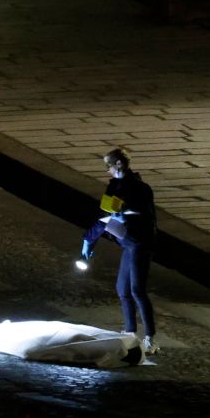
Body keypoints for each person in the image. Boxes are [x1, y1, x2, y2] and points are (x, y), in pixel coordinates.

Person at [80, 147, 159, 355]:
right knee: (122, 289)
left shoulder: (141, 188)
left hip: (140, 243)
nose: (106, 170)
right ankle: (130, 334)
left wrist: (125, 213)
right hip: (127, 242)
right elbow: (104, 216)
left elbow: (147, 216)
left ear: (118, 164)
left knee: (137, 290)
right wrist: (89, 240)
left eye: (108, 165)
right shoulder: (114, 186)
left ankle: (150, 338)